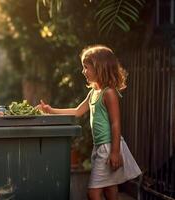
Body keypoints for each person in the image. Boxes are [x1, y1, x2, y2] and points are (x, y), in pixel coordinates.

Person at [37, 45, 142, 200]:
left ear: (99, 68)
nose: (83, 71)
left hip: (108, 147)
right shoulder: (93, 92)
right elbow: (77, 111)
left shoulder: (109, 93)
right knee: (110, 189)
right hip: (99, 147)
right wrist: (50, 109)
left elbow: (115, 123)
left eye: (86, 67)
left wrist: (114, 152)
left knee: (93, 193)